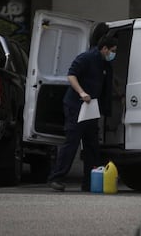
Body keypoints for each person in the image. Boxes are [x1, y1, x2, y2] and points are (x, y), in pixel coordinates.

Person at [47, 33, 118, 192]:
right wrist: (82, 93)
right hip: (76, 105)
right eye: (112, 50)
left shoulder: (105, 64)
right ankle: (56, 178)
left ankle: (89, 182)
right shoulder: (86, 58)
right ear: (104, 48)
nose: (114, 53)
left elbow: (106, 84)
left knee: (92, 145)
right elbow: (71, 75)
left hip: (91, 108)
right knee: (72, 142)